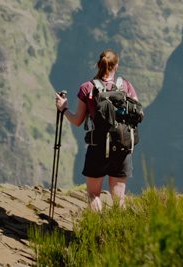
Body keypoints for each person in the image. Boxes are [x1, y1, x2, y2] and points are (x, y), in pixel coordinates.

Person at [56, 49, 139, 211]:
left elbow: (77, 120)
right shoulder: (126, 86)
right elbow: (137, 113)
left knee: (93, 194)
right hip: (122, 146)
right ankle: (117, 233)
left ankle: (97, 232)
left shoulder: (87, 88)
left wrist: (63, 109)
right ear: (116, 65)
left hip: (98, 147)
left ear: (98, 64)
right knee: (119, 198)